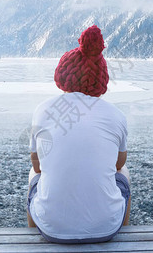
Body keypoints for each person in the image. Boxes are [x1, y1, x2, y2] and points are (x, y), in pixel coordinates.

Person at [27, 25, 131, 244]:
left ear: (63, 76)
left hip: (52, 230)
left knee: (33, 175)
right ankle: (124, 235)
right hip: (106, 229)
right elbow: (119, 163)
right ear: (101, 80)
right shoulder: (116, 115)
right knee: (125, 174)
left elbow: (37, 167)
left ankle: (33, 237)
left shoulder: (44, 110)